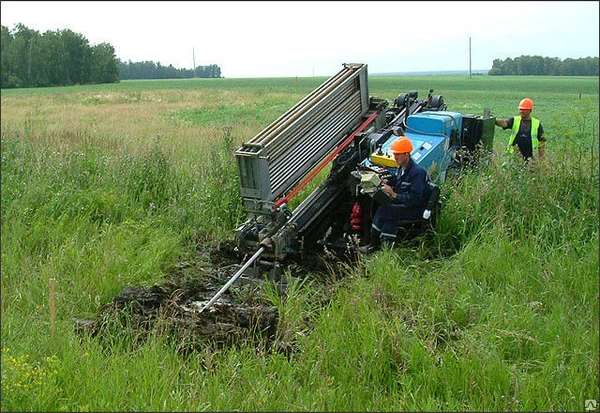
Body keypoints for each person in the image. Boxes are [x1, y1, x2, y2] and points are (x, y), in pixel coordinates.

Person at [362, 136, 431, 252]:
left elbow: (416, 200)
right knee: (389, 217)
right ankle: (385, 249)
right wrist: (387, 187)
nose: (395, 157)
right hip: (405, 206)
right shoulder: (401, 169)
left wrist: (394, 195)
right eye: (394, 154)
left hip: (415, 209)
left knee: (385, 210)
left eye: (398, 154)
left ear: (406, 154)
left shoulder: (417, 173)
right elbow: (400, 189)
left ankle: (373, 244)